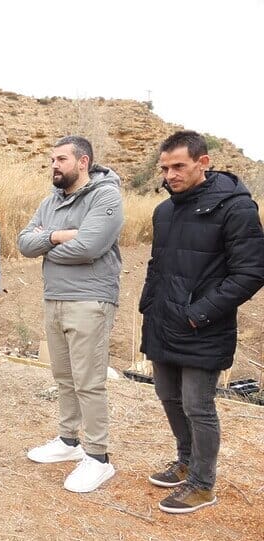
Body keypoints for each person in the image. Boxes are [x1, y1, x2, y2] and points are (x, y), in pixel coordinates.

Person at [140, 130, 264, 514]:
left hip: (202, 326)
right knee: (168, 396)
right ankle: (185, 461)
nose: (170, 174)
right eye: (165, 168)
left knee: (198, 406)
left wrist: (199, 314)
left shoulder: (235, 207)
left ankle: (202, 484)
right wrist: (149, 303)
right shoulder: (164, 210)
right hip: (163, 320)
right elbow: (157, 265)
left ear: (203, 163)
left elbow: (251, 272)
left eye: (179, 166)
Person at [17, 135, 123, 493]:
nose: (54, 165)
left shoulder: (106, 194)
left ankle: (98, 457)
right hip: (55, 298)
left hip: (90, 299)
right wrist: (61, 237)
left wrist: (46, 244)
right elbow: (24, 243)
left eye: (61, 159)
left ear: (83, 162)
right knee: (63, 376)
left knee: (88, 381)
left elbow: (92, 245)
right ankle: (69, 441)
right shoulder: (51, 201)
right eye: (51, 160)